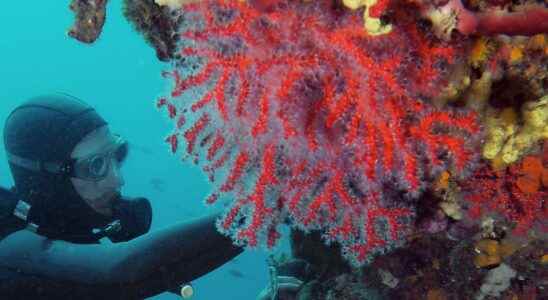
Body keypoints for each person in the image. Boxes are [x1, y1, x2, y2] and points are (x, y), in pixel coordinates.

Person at [0, 93, 244, 299]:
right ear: (49, 181)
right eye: (96, 166)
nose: (118, 179)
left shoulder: (76, 236)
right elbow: (119, 271)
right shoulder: (9, 249)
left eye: (116, 155)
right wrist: (255, 211)